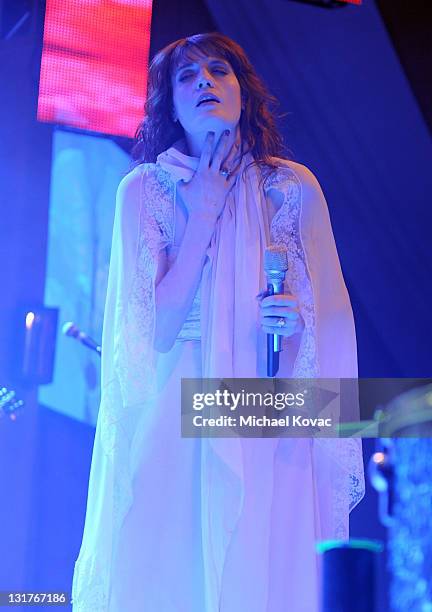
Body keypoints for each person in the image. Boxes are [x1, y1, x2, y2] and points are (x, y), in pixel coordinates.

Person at [72, 32, 364, 612]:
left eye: (218, 70)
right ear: (170, 104)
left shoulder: (293, 187)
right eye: (187, 77)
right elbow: (152, 330)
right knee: (173, 571)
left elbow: (329, 327)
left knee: (261, 568)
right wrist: (204, 207)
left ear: (243, 91)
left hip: (270, 408)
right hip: (179, 405)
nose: (205, 82)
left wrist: (296, 325)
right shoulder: (145, 191)